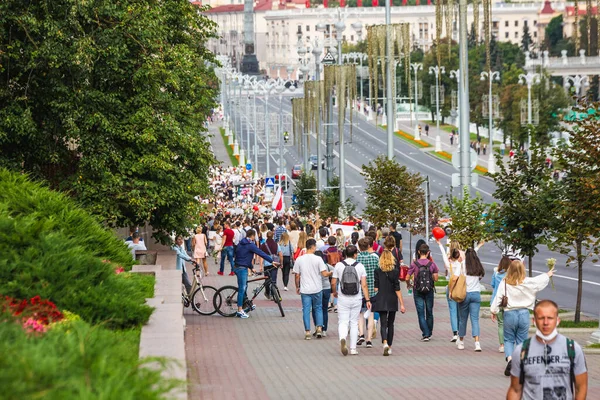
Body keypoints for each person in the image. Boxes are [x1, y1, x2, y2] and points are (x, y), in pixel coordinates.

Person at [507, 300, 588, 400]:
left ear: (557, 320)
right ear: (534, 321)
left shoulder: (572, 348)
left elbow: (581, 387)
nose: (545, 322)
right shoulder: (521, 351)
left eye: (550, 318)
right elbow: (515, 390)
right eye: (541, 318)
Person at [490, 260, 554, 376]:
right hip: (524, 314)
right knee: (522, 341)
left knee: (508, 339)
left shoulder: (505, 282)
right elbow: (538, 281)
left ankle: (510, 359)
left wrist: (493, 311)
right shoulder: (527, 282)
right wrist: (547, 275)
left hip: (509, 313)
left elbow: (498, 297)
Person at [331, 245, 370, 356]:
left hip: (343, 297)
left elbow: (333, 282)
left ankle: (343, 338)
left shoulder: (339, 265)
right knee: (354, 322)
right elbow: (364, 285)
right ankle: (353, 348)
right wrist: (367, 299)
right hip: (356, 298)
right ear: (355, 254)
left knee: (343, 321)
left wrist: (334, 293)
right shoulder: (360, 266)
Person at [233, 229, 276, 319]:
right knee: (242, 288)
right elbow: (260, 253)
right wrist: (272, 261)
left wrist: (251, 268)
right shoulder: (250, 245)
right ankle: (239, 310)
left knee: (245, 286)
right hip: (242, 268)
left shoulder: (241, 243)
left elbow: (244, 256)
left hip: (238, 266)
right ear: (252, 236)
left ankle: (246, 304)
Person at [294, 239, 329, 340]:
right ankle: (319, 328)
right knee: (318, 308)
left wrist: (297, 286)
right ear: (313, 247)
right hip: (317, 288)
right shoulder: (318, 259)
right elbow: (324, 273)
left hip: (305, 289)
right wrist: (331, 273)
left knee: (306, 310)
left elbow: (297, 275)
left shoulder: (300, 259)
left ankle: (307, 331)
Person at [373, 250, 406, 356]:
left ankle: (385, 343)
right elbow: (397, 288)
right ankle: (390, 346)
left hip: (381, 299)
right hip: (392, 299)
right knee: (391, 323)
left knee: (383, 323)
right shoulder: (395, 271)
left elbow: (376, 288)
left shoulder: (377, 271)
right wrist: (402, 303)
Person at [407, 243, 439, 341]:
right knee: (429, 311)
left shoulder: (414, 264)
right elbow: (436, 278)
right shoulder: (432, 264)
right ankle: (429, 332)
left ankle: (425, 334)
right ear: (428, 252)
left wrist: (408, 284)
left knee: (421, 313)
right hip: (429, 290)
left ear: (419, 252)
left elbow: (407, 277)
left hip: (417, 290)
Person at [456, 248, 485, 352]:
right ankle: (477, 343)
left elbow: (457, 277)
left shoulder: (463, 264)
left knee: (463, 319)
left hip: (465, 294)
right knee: (475, 319)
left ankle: (461, 341)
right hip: (476, 294)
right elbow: (481, 276)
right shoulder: (478, 265)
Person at [436, 238, 462, 342]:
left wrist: (440, 244)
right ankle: (460, 331)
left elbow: (443, 254)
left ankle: (455, 333)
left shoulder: (448, 264)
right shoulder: (461, 264)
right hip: (460, 288)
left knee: (452, 310)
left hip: (450, 287)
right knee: (460, 310)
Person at [356, 238, 379, 348]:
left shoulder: (357, 258)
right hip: (372, 290)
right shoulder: (375, 258)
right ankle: (369, 339)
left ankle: (360, 334)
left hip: (359, 290)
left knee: (360, 314)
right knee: (370, 314)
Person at [491, 256, 511, 354]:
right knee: (509, 324)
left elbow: (493, 285)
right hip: (509, 301)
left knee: (501, 324)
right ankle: (509, 344)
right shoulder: (511, 275)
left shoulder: (496, 273)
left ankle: (501, 345)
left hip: (497, 301)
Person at [260, 231, 282, 299]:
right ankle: (273, 294)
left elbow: (261, 256)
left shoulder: (263, 244)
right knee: (273, 279)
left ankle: (267, 293)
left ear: (266, 236)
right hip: (274, 264)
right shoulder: (276, 244)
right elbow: (281, 254)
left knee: (267, 279)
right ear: (273, 236)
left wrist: (260, 265)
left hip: (266, 264)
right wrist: (281, 263)